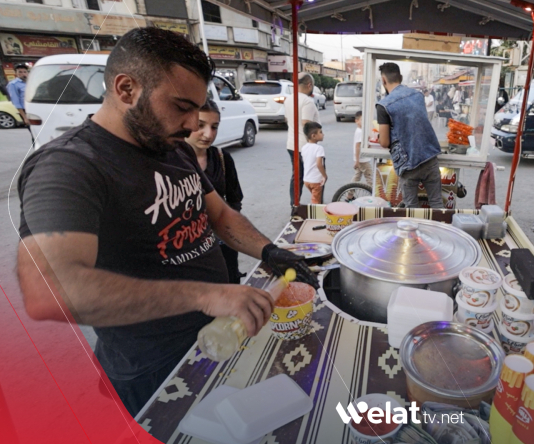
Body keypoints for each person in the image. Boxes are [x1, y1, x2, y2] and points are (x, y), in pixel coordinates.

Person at [15, 27, 317, 417]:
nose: (194, 125)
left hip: (219, 334)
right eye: (180, 107)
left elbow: (220, 215)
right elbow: (49, 290)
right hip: (153, 365)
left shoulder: (172, 147)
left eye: (197, 108)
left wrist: (269, 250)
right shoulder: (69, 166)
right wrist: (207, 295)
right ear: (126, 89)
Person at [185, 99, 245, 284]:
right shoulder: (171, 161)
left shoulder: (222, 158)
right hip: (188, 250)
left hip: (222, 245)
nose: (208, 134)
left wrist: (225, 232)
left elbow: (235, 201)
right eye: (200, 125)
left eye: (214, 127)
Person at [376, 62, 444, 209]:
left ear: (383, 80)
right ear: (400, 77)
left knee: (412, 208)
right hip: (429, 157)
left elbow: (385, 142)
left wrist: (381, 137)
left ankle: (415, 232)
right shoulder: (418, 95)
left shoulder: (383, 106)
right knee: (437, 204)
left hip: (408, 164)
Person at [284, 72, 320, 206]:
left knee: (297, 177)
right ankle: (317, 205)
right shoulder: (306, 101)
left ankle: (294, 206)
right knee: (317, 177)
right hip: (306, 146)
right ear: (309, 85)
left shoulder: (289, 99)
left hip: (292, 145)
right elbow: (306, 123)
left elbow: (287, 119)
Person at [301, 121, 326, 205]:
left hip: (307, 180)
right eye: (321, 132)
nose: (323, 134)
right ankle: (313, 216)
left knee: (315, 198)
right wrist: (324, 175)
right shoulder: (319, 148)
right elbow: (319, 164)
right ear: (313, 136)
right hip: (316, 180)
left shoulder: (304, 147)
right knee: (315, 203)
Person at [352, 111, 372, 184]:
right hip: (363, 159)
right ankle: (372, 192)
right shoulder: (360, 132)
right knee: (369, 176)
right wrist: (357, 160)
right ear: (356, 121)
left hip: (360, 159)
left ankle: (350, 194)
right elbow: (357, 146)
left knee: (357, 176)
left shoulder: (360, 131)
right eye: (362, 120)